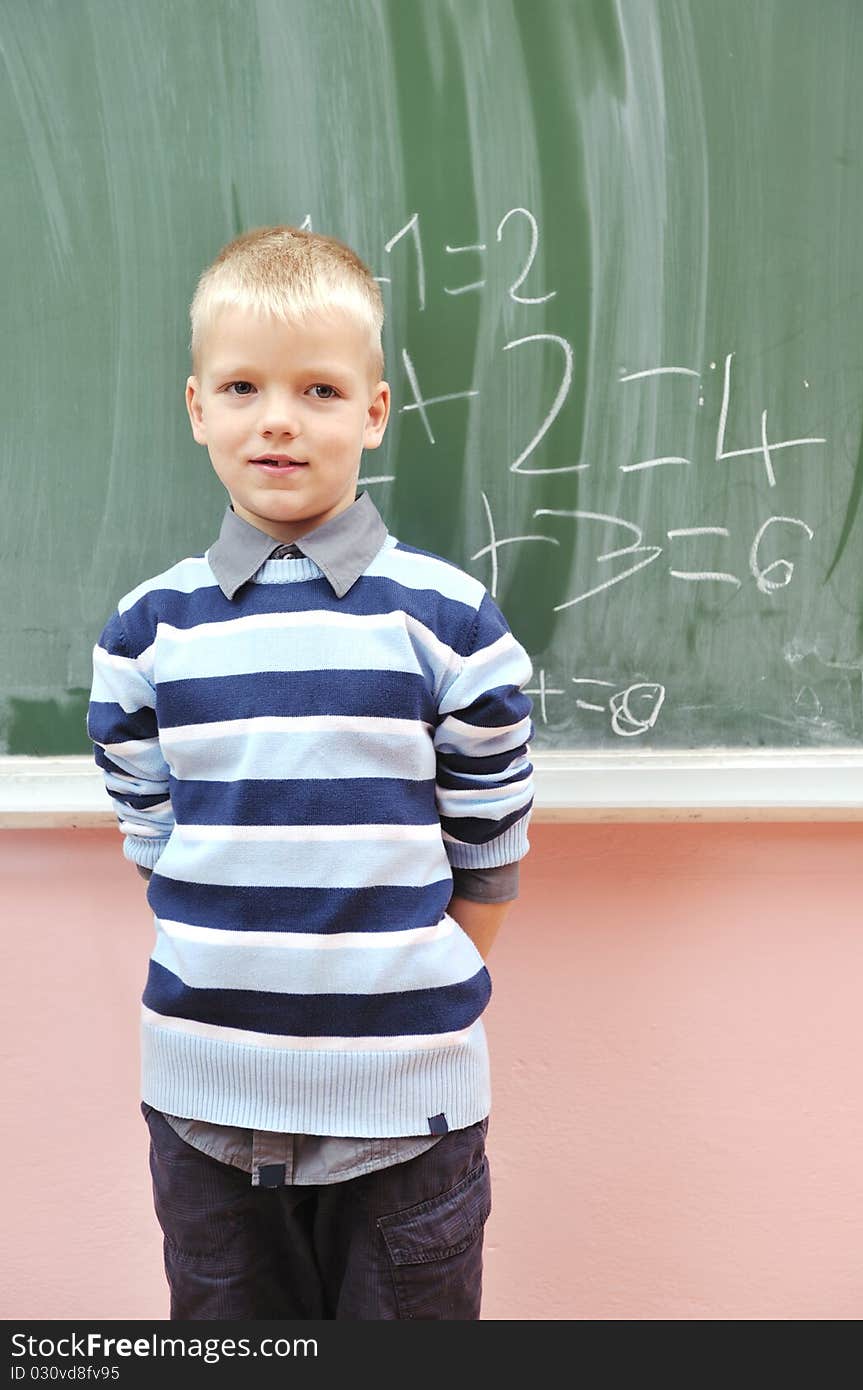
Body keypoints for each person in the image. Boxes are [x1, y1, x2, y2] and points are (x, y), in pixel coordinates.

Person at [86, 225, 535, 1321]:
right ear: (197, 409)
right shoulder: (147, 632)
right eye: (241, 386)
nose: (278, 417)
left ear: (374, 413)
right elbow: (149, 823)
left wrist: (399, 1005)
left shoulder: (448, 623)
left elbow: (488, 838)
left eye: (321, 389)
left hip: (406, 1121)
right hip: (203, 1111)